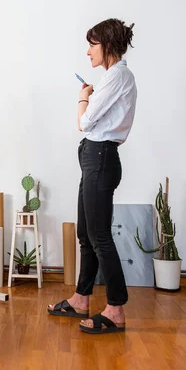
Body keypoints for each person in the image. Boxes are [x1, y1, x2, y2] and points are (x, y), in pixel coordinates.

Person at [47, 18, 137, 334]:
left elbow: (84, 123)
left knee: (99, 237)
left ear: (107, 45)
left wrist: (83, 96)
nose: (87, 52)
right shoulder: (114, 78)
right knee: (86, 234)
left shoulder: (118, 76)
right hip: (93, 160)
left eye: (92, 44)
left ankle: (115, 309)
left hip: (100, 159)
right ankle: (81, 299)